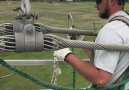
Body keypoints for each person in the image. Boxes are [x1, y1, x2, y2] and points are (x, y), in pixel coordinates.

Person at [54, 0, 129, 88]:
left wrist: (66, 55)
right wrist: (81, 41)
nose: (96, 6)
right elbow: (106, 59)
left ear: (112, 1)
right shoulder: (125, 23)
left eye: (98, 1)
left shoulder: (111, 31)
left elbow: (101, 79)